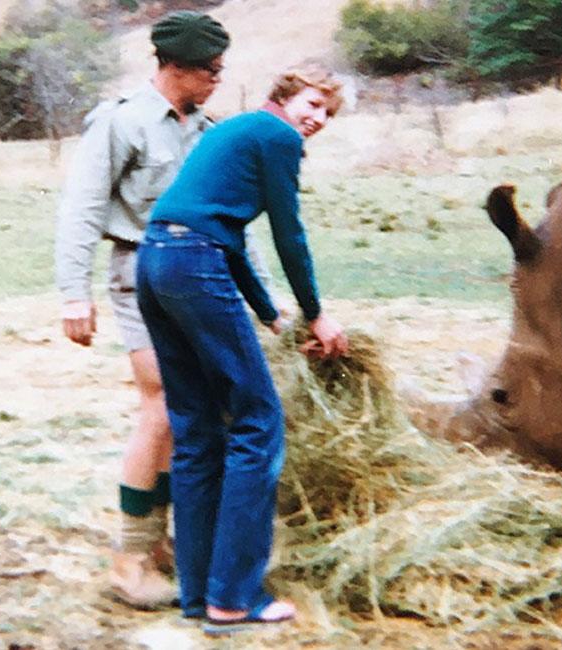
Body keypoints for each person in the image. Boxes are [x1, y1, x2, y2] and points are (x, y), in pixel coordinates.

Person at [54, 10, 272, 609]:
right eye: (210, 71)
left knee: (196, 411)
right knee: (161, 405)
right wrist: (74, 292)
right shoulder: (121, 123)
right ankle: (130, 556)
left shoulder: (211, 131)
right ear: (174, 67)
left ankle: (169, 542)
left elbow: (233, 219)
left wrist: (265, 300)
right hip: (138, 273)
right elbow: (82, 206)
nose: (217, 80)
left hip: (202, 280)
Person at [135, 64, 350, 629]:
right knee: (259, 423)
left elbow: (220, 230)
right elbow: (287, 231)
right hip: (193, 263)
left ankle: (197, 593)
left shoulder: (233, 130)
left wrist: (264, 310)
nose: (317, 119)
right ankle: (234, 597)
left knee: (198, 429)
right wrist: (316, 313)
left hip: (156, 258)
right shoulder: (278, 137)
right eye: (312, 103)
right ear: (285, 96)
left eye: (327, 113)